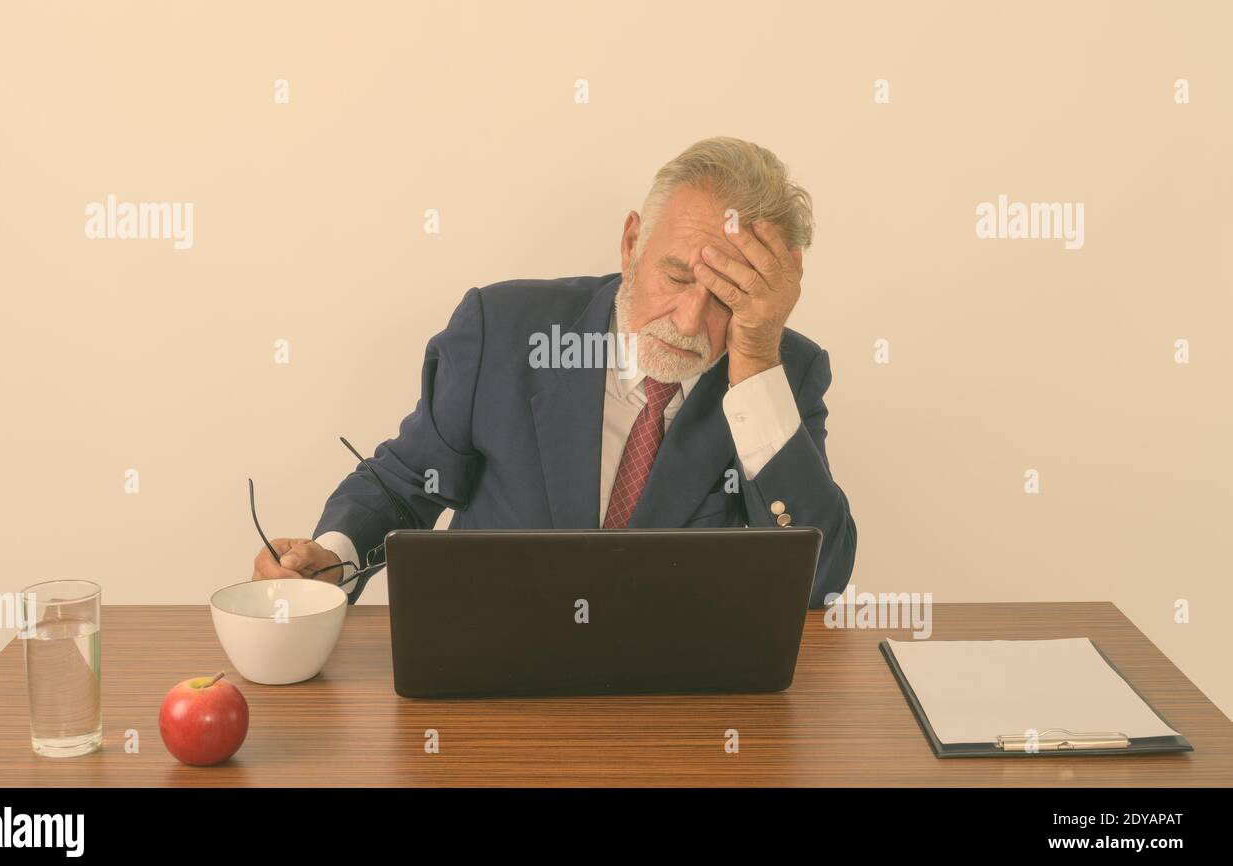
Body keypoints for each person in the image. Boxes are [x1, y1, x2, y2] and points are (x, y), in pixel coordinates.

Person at [252, 136, 856, 608]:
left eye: (728, 295)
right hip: (489, 683)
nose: (690, 319)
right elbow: (406, 483)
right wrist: (334, 556)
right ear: (630, 245)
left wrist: (754, 363)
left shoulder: (783, 374)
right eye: (675, 277)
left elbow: (816, 584)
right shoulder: (504, 329)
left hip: (677, 708)